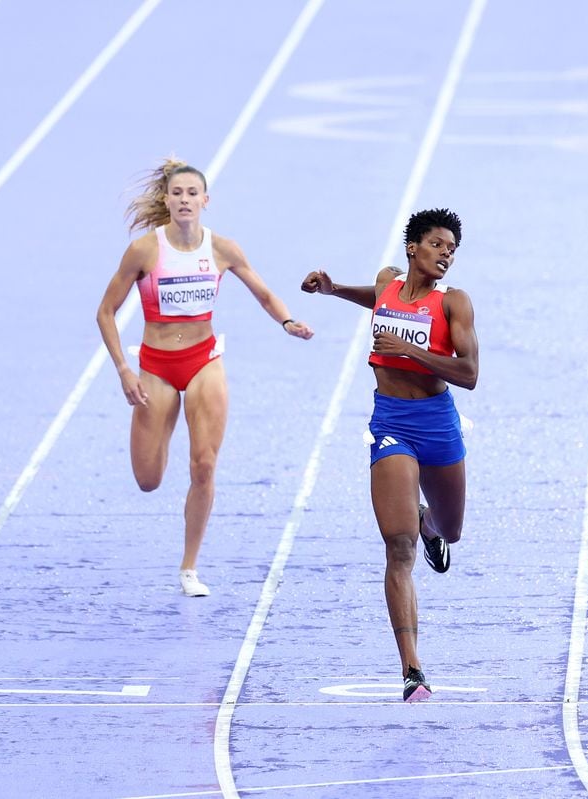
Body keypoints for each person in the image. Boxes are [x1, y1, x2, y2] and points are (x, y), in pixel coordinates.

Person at [95, 159, 314, 597]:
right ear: (167, 200)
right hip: (155, 367)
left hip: (203, 362)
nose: (184, 200)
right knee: (148, 479)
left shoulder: (222, 249)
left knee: (204, 464)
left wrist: (287, 322)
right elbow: (105, 312)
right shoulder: (144, 251)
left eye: (192, 193)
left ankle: (189, 567)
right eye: (177, 193)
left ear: (205, 201)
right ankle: (164, 422)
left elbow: (264, 293)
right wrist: (123, 369)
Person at [300, 208, 477, 703]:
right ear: (413, 248)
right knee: (398, 548)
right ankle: (412, 669)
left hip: (437, 423)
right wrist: (334, 291)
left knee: (452, 530)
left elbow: (469, 373)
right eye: (438, 245)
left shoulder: (455, 303)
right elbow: (377, 299)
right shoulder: (387, 285)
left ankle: (430, 523)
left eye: (452, 250)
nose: (446, 254)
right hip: (392, 423)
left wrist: (410, 351)